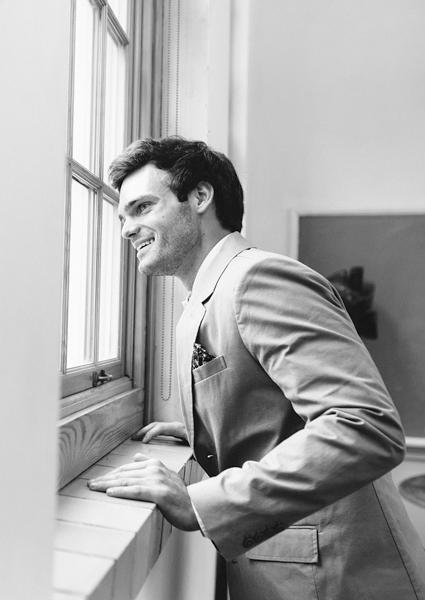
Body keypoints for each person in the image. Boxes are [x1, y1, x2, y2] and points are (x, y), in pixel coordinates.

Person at [87, 137, 425, 599]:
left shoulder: (257, 279)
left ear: (200, 197)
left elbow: (366, 427)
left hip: (338, 579)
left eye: (142, 207)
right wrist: (209, 427)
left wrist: (200, 502)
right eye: (123, 216)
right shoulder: (207, 296)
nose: (127, 229)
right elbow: (277, 402)